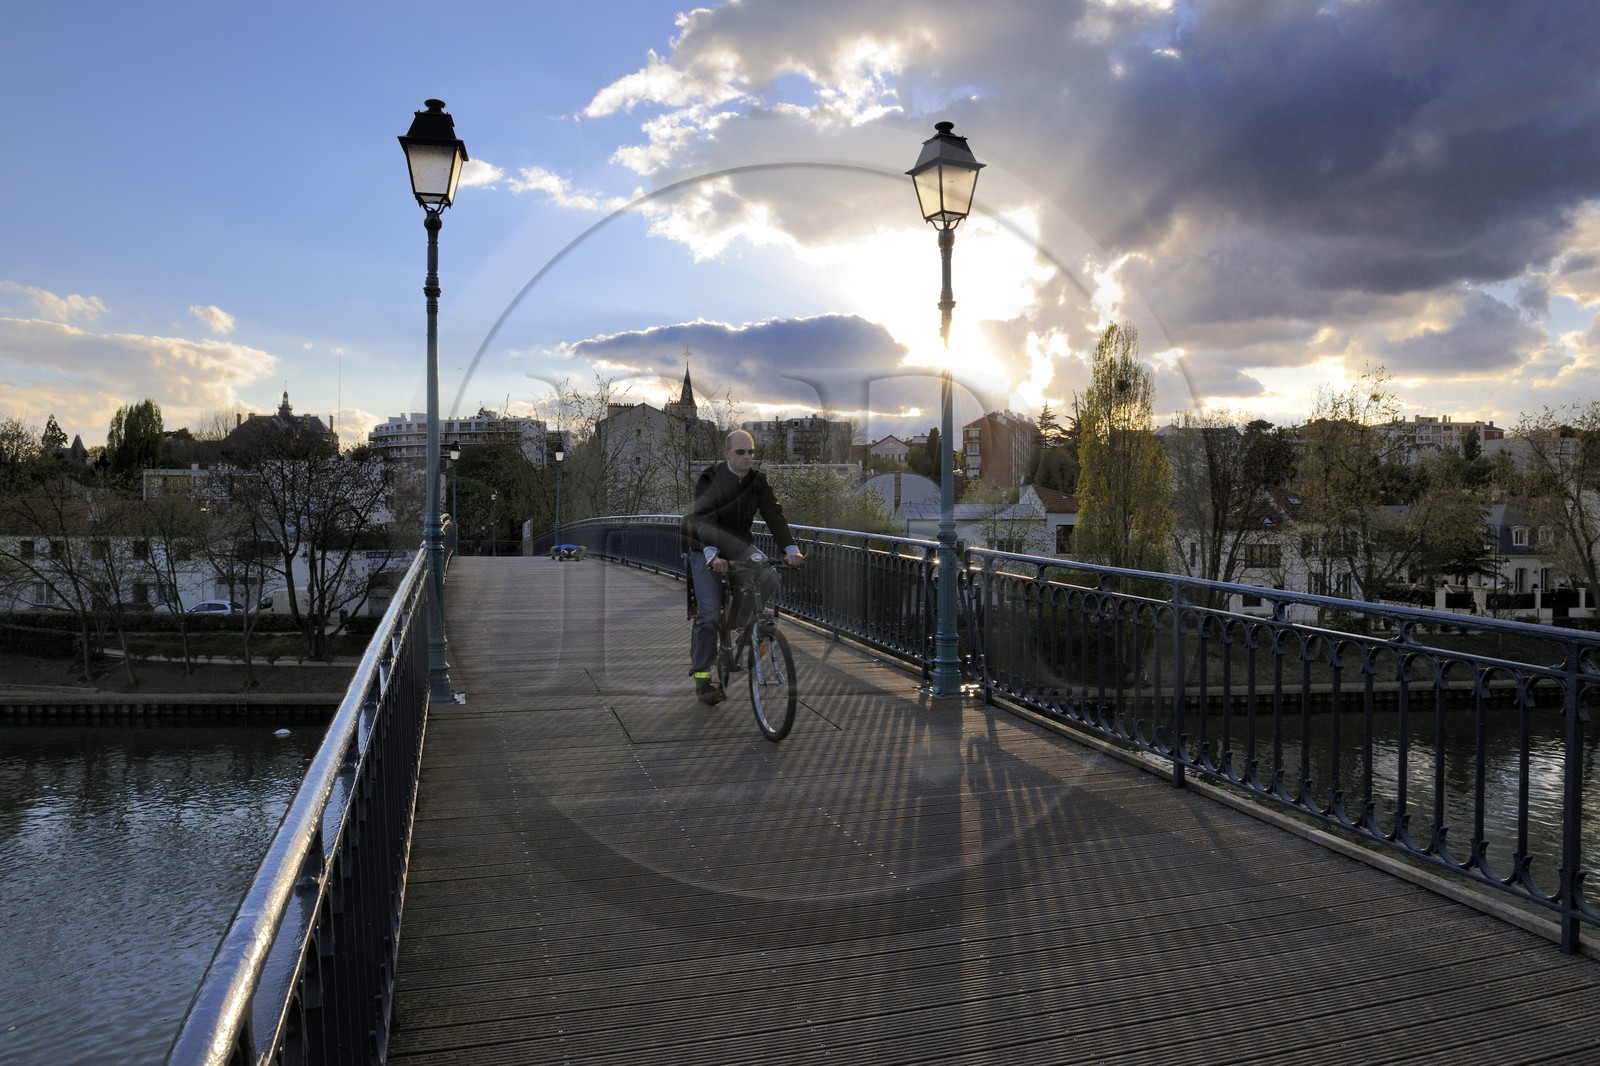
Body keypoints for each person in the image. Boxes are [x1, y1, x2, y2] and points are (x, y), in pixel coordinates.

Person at [687, 429, 804, 704]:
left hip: (739, 547)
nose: (748, 457)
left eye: (751, 452)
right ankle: (703, 678)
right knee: (708, 612)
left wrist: (791, 549)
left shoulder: (757, 481)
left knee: (770, 577)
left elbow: (773, 513)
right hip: (705, 547)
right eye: (741, 452)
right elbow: (702, 516)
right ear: (727, 454)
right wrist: (713, 555)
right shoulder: (710, 478)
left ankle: (739, 622)